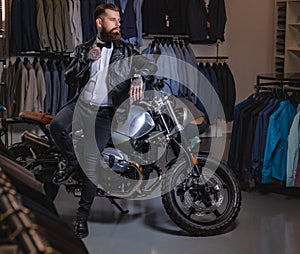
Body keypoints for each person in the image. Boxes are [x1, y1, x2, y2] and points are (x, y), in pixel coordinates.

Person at [49, 3, 157, 238]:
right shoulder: (84, 49)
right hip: (81, 105)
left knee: (92, 162)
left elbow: (149, 66)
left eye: (119, 20)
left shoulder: (128, 50)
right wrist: (87, 59)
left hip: (106, 113)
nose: (118, 24)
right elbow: (69, 78)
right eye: (113, 20)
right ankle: (70, 161)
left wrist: (138, 76)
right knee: (56, 126)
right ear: (100, 23)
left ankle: (81, 218)